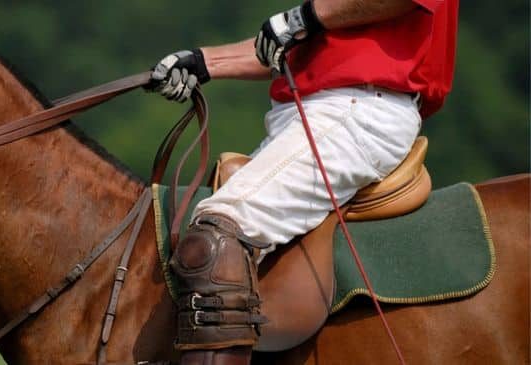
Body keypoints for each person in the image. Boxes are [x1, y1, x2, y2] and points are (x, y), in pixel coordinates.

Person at [149, 0, 458, 364]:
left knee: (218, 235)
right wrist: (205, 62)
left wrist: (305, 17)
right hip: (314, 114)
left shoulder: (327, 10)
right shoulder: (334, 12)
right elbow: (295, 43)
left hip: (357, 109)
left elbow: (311, 23)